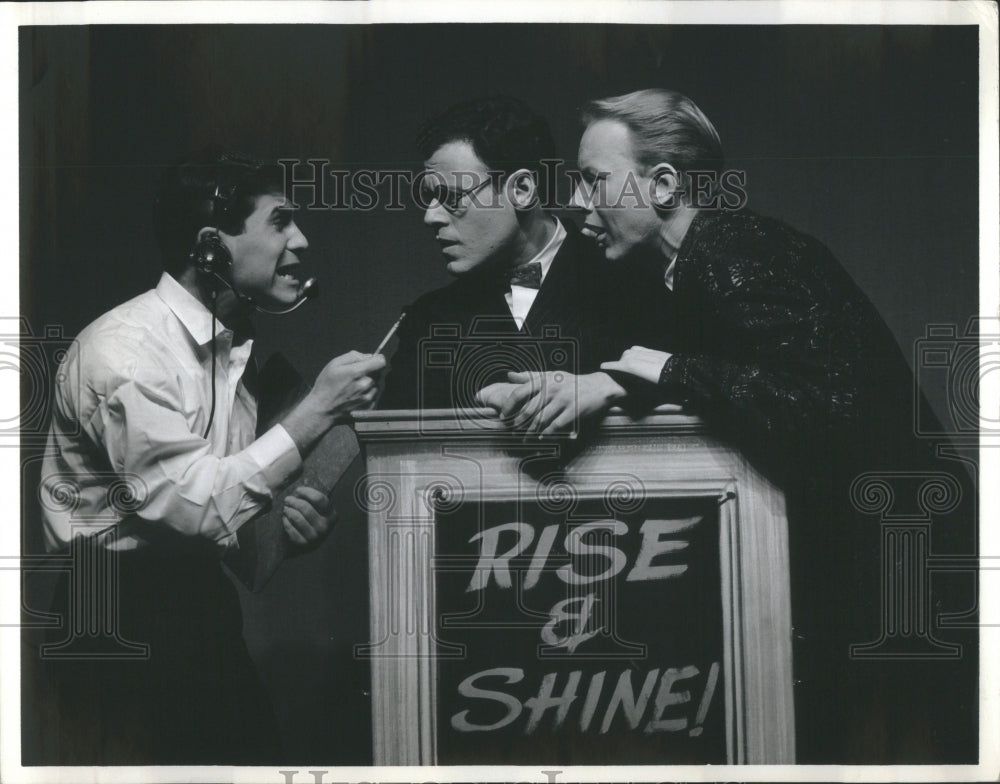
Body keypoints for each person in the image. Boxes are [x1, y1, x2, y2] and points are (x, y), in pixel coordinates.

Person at [480, 89, 977, 763]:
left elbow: (831, 408)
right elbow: (739, 380)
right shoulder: (698, 265)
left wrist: (650, 368)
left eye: (595, 179)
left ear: (662, 183)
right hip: (882, 588)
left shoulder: (735, 252)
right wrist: (614, 379)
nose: (580, 201)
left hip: (907, 593)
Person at [37, 150, 386, 764]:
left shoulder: (229, 353)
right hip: (116, 627)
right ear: (210, 247)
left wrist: (281, 531)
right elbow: (193, 508)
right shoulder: (126, 355)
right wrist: (316, 414)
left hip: (197, 613)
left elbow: (225, 531)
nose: (301, 240)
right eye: (280, 221)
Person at [378, 96, 634, 411]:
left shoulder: (633, 285)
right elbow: (394, 450)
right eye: (430, 197)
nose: (431, 217)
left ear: (522, 190)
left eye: (452, 197)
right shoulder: (428, 320)